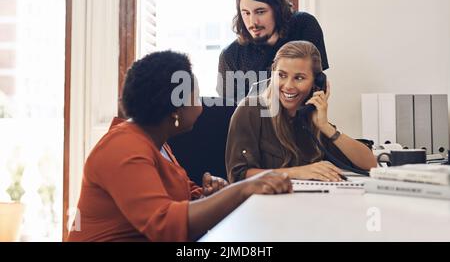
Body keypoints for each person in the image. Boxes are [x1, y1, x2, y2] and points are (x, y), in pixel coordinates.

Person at [66, 51, 291, 242]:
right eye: (196, 95)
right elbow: (164, 224)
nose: (202, 103)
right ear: (175, 111)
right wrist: (242, 188)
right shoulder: (124, 148)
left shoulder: (154, 140)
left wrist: (204, 195)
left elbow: (172, 195)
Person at [225, 41, 377, 183]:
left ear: (316, 83)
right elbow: (239, 176)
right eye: (282, 75)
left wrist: (325, 127)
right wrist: (296, 172)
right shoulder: (251, 110)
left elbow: (370, 164)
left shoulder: (311, 118)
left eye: (299, 78)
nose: (288, 85)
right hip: (264, 205)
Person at [217, 0, 329, 103]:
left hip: (304, 118)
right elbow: (230, 112)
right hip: (256, 121)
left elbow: (318, 84)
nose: (253, 22)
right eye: (246, 13)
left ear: (277, 9)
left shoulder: (304, 25)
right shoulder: (231, 55)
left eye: (260, 11)